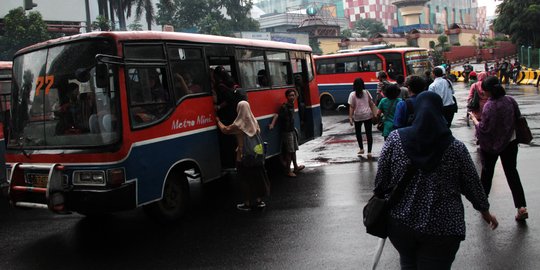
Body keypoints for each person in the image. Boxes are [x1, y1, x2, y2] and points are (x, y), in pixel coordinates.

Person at [375, 91, 498, 269]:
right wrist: (485, 212)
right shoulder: (456, 148)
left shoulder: (395, 140)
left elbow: (380, 182)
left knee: (408, 262)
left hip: (401, 226)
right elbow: (472, 184)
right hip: (443, 229)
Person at [469, 76, 529, 221]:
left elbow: (484, 129)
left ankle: (483, 206)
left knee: (487, 174)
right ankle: (521, 207)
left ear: (488, 91)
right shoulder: (510, 100)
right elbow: (517, 117)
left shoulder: (490, 106)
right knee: (512, 173)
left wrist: (474, 119)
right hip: (511, 142)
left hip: (490, 146)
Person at [216, 101, 270, 211]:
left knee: (245, 180)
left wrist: (218, 121)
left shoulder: (238, 124)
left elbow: (225, 130)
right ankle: (259, 201)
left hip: (242, 157)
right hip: (256, 155)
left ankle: (247, 203)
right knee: (257, 178)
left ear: (239, 109)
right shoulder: (254, 121)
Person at [269, 89, 305, 177]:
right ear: (287, 97)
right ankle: (288, 171)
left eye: (293, 95)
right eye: (290, 95)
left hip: (292, 131)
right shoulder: (284, 107)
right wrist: (272, 124)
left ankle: (296, 167)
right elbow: (277, 115)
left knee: (294, 151)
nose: (292, 97)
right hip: (287, 132)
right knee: (289, 152)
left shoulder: (291, 105)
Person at [347, 78, 375, 158]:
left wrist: (350, 117)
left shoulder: (352, 94)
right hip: (367, 115)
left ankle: (361, 149)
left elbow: (351, 107)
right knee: (368, 133)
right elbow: (371, 103)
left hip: (358, 116)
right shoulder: (366, 92)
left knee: (358, 133)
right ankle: (369, 152)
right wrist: (374, 113)